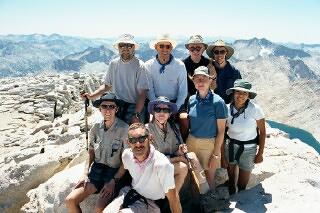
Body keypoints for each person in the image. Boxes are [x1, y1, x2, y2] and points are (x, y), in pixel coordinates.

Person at [65, 92, 129, 213]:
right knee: (70, 200)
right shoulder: (95, 128)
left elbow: (126, 161)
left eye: (112, 106)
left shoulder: (124, 129)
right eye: (104, 106)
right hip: (96, 172)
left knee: (99, 208)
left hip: (113, 174)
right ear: (100, 109)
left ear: (117, 109)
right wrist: (85, 173)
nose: (108, 110)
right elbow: (91, 152)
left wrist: (113, 181)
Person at [103, 123, 182, 213]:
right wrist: (113, 181)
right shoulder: (127, 155)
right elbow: (122, 169)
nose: (138, 144)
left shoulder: (162, 165)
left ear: (150, 139)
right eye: (133, 140)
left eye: (142, 138)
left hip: (150, 203)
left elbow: (173, 200)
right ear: (128, 142)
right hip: (129, 192)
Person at [82, 34, 149, 124]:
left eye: (129, 45)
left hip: (134, 106)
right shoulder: (113, 64)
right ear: (118, 48)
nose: (125, 48)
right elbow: (107, 86)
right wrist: (91, 96)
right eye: (122, 45)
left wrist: (136, 114)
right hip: (116, 105)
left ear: (133, 48)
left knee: (134, 135)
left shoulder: (140, 66)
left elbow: (142, 93)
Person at [221, 79, 266, 195]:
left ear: (248, 96)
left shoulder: (255, 109)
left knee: (242, 184)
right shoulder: (226, 109)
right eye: (238, 92)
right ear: (233, 93)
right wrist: (222, 156)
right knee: (231, 181)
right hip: (230, 146)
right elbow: (221, 132)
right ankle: (231, 196)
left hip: (249, 149)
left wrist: (260, 154)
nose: (240, 95)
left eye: (244, 93)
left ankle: (241, 200)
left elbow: (263, 132)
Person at [187, 66, 228, 190]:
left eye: (203, 78)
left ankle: (211, 206)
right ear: (193, 82)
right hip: (191, 141)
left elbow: (221, 131)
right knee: (193, 176)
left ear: (210, 81)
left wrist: (216, 155)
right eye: (197, 79)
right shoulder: (191, 99)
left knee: (209, 179)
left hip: (209, 144)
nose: (200, 82)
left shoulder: (218, 102)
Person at [180, 35, 216, 141]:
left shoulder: (209, 63)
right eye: (192, 48)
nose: (195, 51)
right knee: (184, 119)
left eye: (198, 48)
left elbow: (213, 84)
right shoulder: (183, 64)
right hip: (186, 97)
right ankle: (185, 142)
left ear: (203, 49)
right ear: (188, 49)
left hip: (204, 96)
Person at [145, 34, 187, 112]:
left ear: (171, 48)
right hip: (155, 102)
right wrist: (158, 107)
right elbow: (149, 90)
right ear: (156, 47)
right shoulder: (148, 65)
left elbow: (183, 91)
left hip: (174, 102)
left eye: (168, 46)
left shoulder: (180, 65)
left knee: (184, 119)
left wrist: (176, 108)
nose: (165, 49)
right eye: (161, 46)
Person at [206, 40, 241, 104]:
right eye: (216, 52)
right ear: (213, 54)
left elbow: (239, 91)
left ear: (226, 53)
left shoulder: (235, 72)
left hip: (229, 109)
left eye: (222, 52)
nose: (219, 55)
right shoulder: (207, 70)